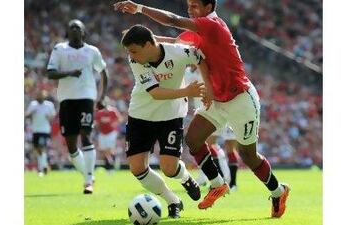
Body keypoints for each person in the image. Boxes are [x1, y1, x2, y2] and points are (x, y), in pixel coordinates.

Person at [114, 0, 290, 217]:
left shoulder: (212, 24)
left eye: (195, 5)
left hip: (240, 97)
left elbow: (173, 21)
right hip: (216, 97)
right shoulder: (198, 30)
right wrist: (147, 39)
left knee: (248, 155)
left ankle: (278, 191)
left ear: (209, 7)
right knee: (194, 140)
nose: (190, 8)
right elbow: (176, 42)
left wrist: (140, 9)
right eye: (188, 4)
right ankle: (217, 184)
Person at [121, 24, 211, 218]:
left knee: (169, 168)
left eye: (134, 51)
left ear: (147, 45)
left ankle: (186, 179)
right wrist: (187, 92)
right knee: (137, 168)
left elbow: (201, 57)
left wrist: (208, 88)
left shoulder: (178, 53)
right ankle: (173, 200)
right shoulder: (136, 61)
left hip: (171, 115)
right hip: (141, 115)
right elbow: (155, 93)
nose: (131, 56)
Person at [46, 19, 109, 194]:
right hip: (66, 99)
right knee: (72, 146)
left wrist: (102, 96)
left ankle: (88, 181)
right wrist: (70, 74)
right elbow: (50, 73)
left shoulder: (92, 51)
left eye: (78, 27)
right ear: (67, 31)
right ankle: (88, 175)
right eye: (71, 26)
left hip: (86, 97)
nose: (74, 29)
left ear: (84, 32)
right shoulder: (60, 49)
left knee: (86, 134)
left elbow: (103, 71)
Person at [25, 90, 56, 176]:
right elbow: (26, 114)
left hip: (45, 130)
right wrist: (31, 113)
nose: (39, 97)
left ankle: (41, 169)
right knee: (37, 149)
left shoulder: (49, 105)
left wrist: (48, 117)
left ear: (44, 96)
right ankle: (44, 165)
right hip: (35, 130)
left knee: (41, 147)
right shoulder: (33, 104)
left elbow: (53, 116)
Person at [94, 96, 123, 172]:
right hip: (102, 133)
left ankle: (111, 166)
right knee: (103, 151)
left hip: (111, 133)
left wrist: (114, 124)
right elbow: (96, 123)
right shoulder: (99, 113)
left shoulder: (113, 111)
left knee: (109, 149)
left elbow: (120, 119)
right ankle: (111, 164)